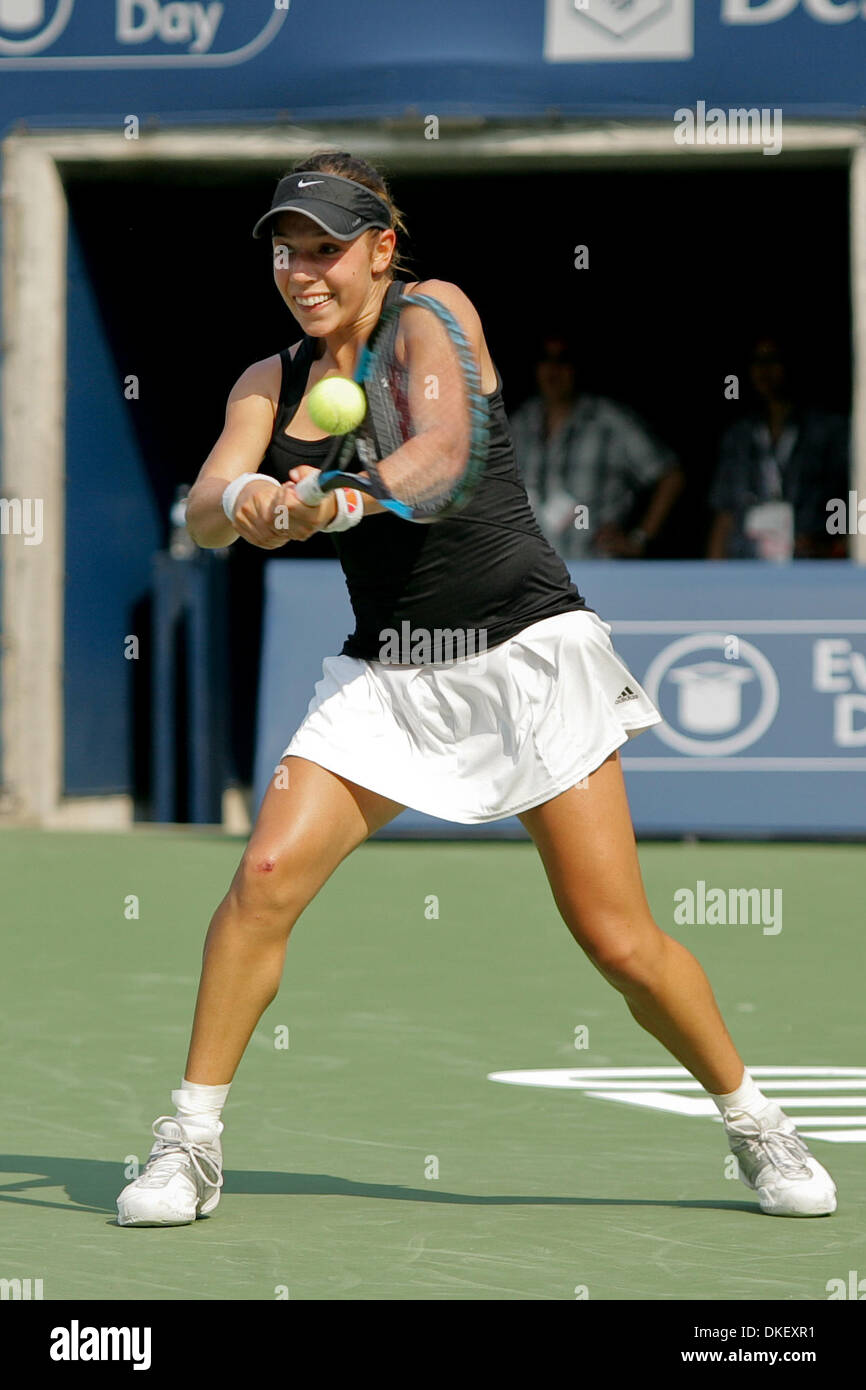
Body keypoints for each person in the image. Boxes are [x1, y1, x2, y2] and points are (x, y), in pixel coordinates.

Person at [116, 153, 836, 1226]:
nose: (303, 271)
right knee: (263, 871)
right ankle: (191, 1139)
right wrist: (256, 497)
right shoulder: (266, 382)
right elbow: (208, 506)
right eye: (286, 250)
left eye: (324, 248)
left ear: (380, 247)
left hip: (527, 657)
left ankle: (751, 1121)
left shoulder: (431, 314)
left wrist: (345, 499)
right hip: (388, 675)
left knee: (616, 939)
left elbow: (443, 457)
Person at [509, 336, 684, 559]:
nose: (554, 370)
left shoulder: (610, 421)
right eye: (546, 360)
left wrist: (639, 538)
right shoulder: (519, 422)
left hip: (597, 574)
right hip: (532, 578)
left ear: (576, 368)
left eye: (563, 360)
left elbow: (670, 475)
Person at [707, 335, 849, 560]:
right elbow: (725, 513)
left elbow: (856, 494)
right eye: (757, 361)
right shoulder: (739, 436)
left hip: (810, 564)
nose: (764, 371)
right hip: (748, 563)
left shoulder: (829, 430)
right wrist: (713, 579)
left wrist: (840, 545)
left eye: (773, 360)